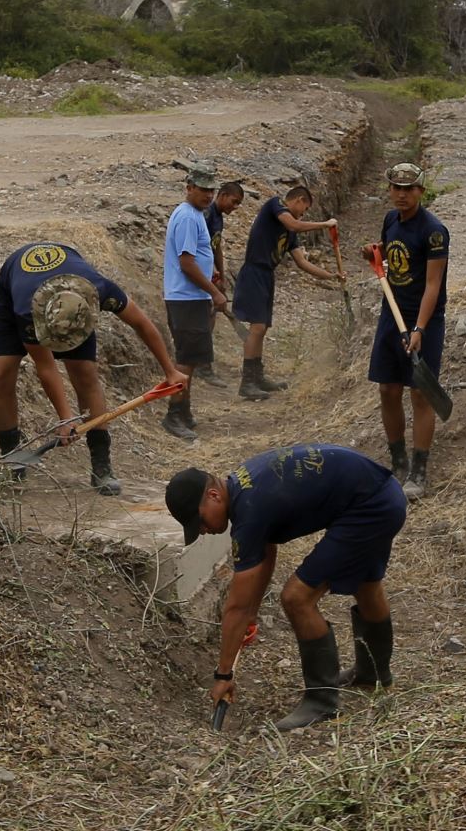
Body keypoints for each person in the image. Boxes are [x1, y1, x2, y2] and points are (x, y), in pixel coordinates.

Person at [166, 443, 405, 731]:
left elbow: (235, 606)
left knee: (296, 598)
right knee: (367, 584)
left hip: (370, 508)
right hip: (382, 494)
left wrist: (223, 674)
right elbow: (265, 553)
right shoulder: (244, 487)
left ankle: (322, 704)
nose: (203, 530)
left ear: (214, 496)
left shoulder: (250, 510)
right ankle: (373, 676)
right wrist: (252, 614)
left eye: (200, 521)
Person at [0, 241, 185, 493]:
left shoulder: (99, 289)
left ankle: (101, 466)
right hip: (15, 291)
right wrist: (66, 418)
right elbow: (46, 367)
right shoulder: (27, 310)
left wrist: (170, 370)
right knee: (0, 372)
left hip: (70, 299)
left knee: (85, 372)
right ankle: (11, 455)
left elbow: (142, 324)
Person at [367, 163, 450, 500]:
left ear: (421, 191)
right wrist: (375, 254)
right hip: (392, 313)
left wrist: (419, 328)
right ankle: (397, 459)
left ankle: (419, 468)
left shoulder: (434, 231)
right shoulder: (390, 220)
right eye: (396, 188)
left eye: (408, 189)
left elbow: (433, 285)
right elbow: (390, 255)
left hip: (423, 318)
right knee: (388, 388)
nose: (401, 194)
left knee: (420, 393)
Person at [231, 185, 338, 400]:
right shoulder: (275, 205)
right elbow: (295, 224)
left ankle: (257, 376)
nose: (302, 213)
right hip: (254, 271)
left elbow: (302, 262)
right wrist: (325, 224)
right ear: (297, 200)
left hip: (267, 275)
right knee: (257, 327)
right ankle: (247, 382)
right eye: (304, 208)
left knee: (262, 328)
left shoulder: (290, 232)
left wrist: (330, 276)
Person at [160, 164, 229, 439]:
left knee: (189, 359)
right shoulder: (188, 217)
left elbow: (195, 258)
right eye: (203, 190)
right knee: (186, 362)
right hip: (186, 298)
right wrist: (214, 291)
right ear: (189, 188)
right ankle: (173, 415)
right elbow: (186, 263)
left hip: (189, 297)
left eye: (211, 190)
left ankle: (184, 412)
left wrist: (209, 270)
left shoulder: (197, 214)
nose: (208, 195)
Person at [197, 181, 247, 389]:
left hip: (211, 275)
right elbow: (199, 248)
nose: (235, 207)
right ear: (223, 195)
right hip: (199, 276)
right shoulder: (206, 215)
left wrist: (222, 276)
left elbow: (216, 246)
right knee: (204, 318)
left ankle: (203, 363)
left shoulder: (218, 218)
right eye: (234, 202)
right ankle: (202, 366)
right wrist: (210, 275)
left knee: (210, 318)